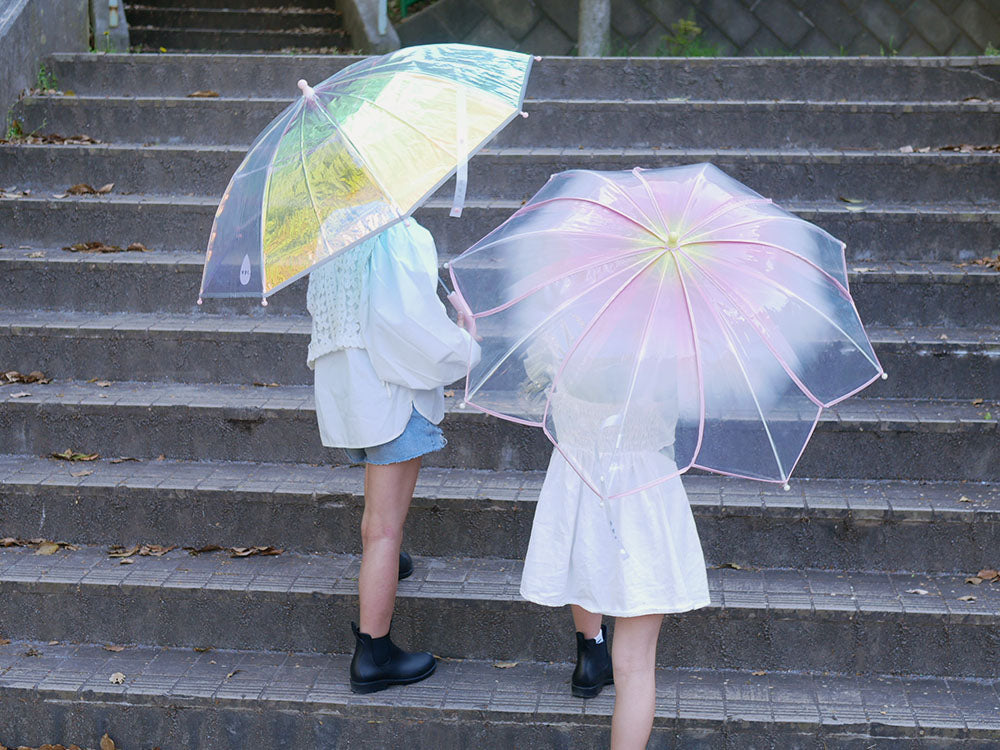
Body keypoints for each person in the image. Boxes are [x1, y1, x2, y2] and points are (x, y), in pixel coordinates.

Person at [307, 219, 480, 694]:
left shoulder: (330, 236)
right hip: (388, 389)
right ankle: (374, 652)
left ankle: (386, 569)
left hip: (349, 390)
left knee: (378, 521)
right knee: (385, 527)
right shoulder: (398, 234)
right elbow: (409, 327)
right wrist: (465, 342)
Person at [519, 351, 709, 749]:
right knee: (635, 663)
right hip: (644, 497)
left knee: (588, 574)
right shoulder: (667, 335)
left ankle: (591, 650)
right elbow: (696, 395)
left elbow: (534, 388)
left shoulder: (562, 331)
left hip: (578, 487)